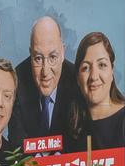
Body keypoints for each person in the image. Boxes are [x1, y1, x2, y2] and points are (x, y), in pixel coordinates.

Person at [9, 15, 81, 148]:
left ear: (63, 52)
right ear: (30, 54)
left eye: (53, 57)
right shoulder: (17, 80)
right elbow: (16, 144)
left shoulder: (77, 80)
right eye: (38, 58)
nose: (45, 71)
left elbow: (80, 142)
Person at [66, 31, 125, 153]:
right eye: (86, 68)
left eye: (102, 65)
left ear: (112, 72)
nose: (94, 76)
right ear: (78, 78)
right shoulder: (72, 128)